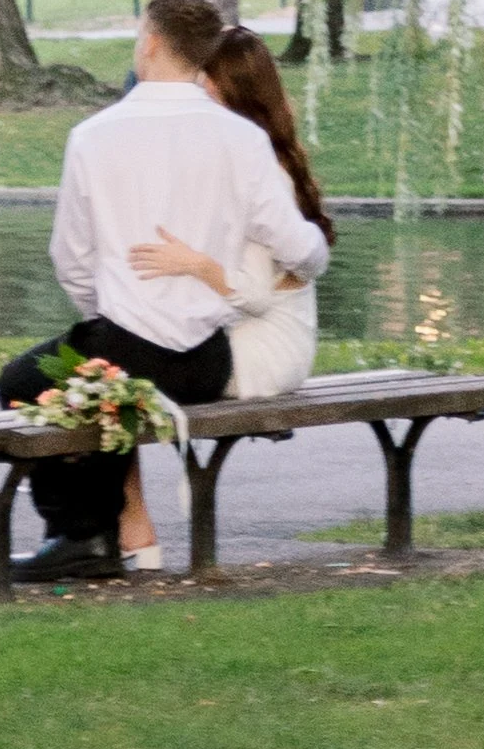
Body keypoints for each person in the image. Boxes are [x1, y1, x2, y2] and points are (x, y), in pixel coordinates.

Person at [0, 0, 333, 582]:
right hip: (206, 358)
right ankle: (92, 535)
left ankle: (78, 534)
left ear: (149, 43)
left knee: (27, 381)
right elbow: (303, 252)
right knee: (95, 378)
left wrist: (107, 307)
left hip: (129, 342)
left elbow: (71, 255)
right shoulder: (242, 141)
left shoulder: (95, 136)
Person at [115, 28, 334, 566]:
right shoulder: (242, 159)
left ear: (223, 90)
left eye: (198, 83)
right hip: (245, 339)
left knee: (104, 371)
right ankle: (124, 533)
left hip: (261, 352)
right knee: (107, 368)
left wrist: (194, 265)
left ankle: (130, 536)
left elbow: (256, 293)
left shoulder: (266, 175)